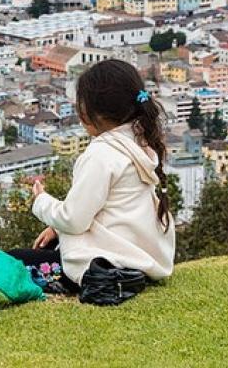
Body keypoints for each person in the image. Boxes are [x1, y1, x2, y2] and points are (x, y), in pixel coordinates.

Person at [9, 59, 176, 290]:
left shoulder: (102, 153)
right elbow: (111, 209)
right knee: (41, 252)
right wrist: (58, 230)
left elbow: (74, 220)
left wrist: (41, 201)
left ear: (93, 111)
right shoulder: (140, 142)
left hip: (102, 267)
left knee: (8, 262)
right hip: (137, 261)